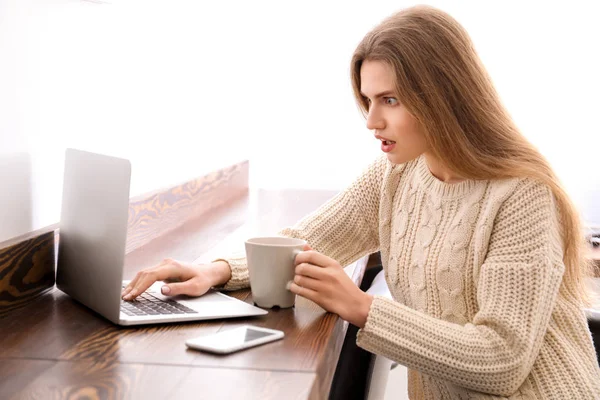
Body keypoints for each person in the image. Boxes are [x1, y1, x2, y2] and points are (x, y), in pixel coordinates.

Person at [121, 5, 600, 398]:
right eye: (368, 100)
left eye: (390, 100)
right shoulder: (399, 172)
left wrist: (363, 308)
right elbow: (309, 239)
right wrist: (216, 271)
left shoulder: (522, 196)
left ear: (444, 96)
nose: (372, 121)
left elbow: (502, 360)